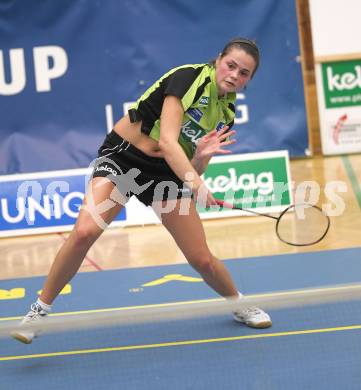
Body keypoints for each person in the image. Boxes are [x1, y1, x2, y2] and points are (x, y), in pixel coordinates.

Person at [12, 37, 271, 344]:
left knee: (201, 258)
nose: (234, 75)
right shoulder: (188, 78)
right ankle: (38, 312)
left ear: (248, 80)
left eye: (244, 73)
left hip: (164, 173)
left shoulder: (226, 113)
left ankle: (239, 303)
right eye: (231, 65)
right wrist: (197, 184)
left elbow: (187, 165)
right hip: (125, 159)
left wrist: (200, 158)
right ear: (218, 60)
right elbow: (167, 142)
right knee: (84, 232)